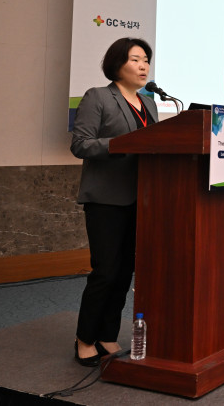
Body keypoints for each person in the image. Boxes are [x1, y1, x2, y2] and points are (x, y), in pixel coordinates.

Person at [70, 38, 158, 367]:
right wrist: (121, 144)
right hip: (106, 199)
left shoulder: (149, 103)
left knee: (124, 273)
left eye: (146, 59)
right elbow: (81, 144)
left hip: (142, 199)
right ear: (117, 64)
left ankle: (107, 334)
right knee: (106, 272)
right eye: (135, 59)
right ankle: (84, 338)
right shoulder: (98, 97)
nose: (143, 65)